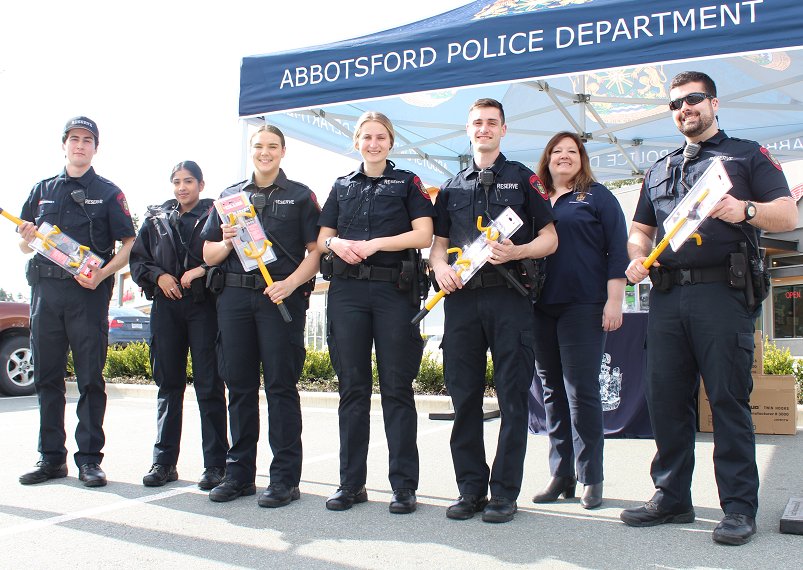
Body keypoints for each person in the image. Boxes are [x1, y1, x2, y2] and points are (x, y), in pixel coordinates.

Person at [622, 71, 796, 545]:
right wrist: (637, 256)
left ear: (714, 103)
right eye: (676, 104)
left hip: (722, 294)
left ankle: (739, 508)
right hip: (667, 297)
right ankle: (672, 496)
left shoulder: (744, 155)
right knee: (666, 401)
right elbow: (640, 229)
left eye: (694, 100)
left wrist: (748, 211)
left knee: (727, 401)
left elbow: (788, 212)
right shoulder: (658, 169)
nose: (685, 109)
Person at [431, 98, 557, 523]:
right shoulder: (451, 185)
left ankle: (504, 492)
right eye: (477, 123)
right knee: (463, 397)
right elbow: (436, 246)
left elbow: (551, 238)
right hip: (463, 302)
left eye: (491, 123)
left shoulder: (523, 179)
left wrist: (518, 250)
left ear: (503, 130)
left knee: (512, 398)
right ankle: (470, 489)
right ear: (468, 130)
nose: (483, 129)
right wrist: (440, 269)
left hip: (509, 299)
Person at [317, 111, 434, 514]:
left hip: (393, 291)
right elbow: (323, 237)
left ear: (390, 142)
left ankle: (403, 486)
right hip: (347, 291)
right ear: (356, 141)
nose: (373, 143)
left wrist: (374, 244)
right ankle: (351, 484)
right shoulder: (341, 185)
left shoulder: (406, 182)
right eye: (366, 136)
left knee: (397, 389)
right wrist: (337, 247)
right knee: (352, 389)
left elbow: (424, 234)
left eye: (380, 136)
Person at [201, 125, 320, 508]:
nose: (264, 152)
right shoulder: (230, 197)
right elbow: (208, 255)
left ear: (283, 152)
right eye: (258, 146)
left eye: (272, 147)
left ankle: (285, 479)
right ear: (250, 150)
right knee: (238, 386)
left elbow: (315, 251)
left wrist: (290, 283)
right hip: (234, 298)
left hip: (278, 299)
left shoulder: (301, 196)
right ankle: (238, 475)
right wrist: (225, 237)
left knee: (281, 388)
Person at [18, 116, 136, 487]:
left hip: (87, 296)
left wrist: (102, 275)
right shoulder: (42, 189)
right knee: (48, 378)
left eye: (87, 140)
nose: (80, 145)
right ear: (64, 144)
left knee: (89, 379)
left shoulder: (109, 192)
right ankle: (51, 458)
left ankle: (89, 460)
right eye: (74, 139)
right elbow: (24, 243)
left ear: (95, 148)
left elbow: (129, 245)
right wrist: (27, 235)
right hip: (46, 296)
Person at [529, 132, 628, 510]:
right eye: (557, 151)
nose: (564, 157)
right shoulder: (535, 199)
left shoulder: (597, 196)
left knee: (580, 391)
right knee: (551, 392)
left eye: (572, 152)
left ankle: (591, 477)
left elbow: (616, 248)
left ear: (582, 159)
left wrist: (613, 300)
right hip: (540, 306)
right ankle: (561, 475)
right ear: (547, 158)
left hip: (583, 305)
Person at [129, 161, 229, 490]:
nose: (182, 187)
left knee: (209, 386)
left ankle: (216, 465)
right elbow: (139, 259)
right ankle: (163, 463)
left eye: (188, 181)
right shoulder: (156, 217)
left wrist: (199, 270)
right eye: (176, 181)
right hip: (166, 308)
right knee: (168, 386)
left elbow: (231, 254)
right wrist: (159, 275)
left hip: (204, 307)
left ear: (201, 183)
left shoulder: (217, 213)